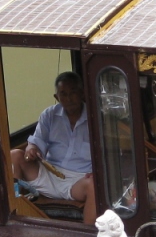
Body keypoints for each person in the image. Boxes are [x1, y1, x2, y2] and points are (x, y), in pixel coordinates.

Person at [10, 72, 96, 223]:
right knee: (14, 155)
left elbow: (108, 154)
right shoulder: (49, 114)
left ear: (82, 93)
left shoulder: (95, 117)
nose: (69, 99)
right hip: (49, 173)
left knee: (94, 185)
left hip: (78, 180)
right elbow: (36, 141)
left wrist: (97, 172)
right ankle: (16, 213)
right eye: (63, 94)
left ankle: (87, 234)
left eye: (73, 93)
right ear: (57, 97)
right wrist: (32, 148)